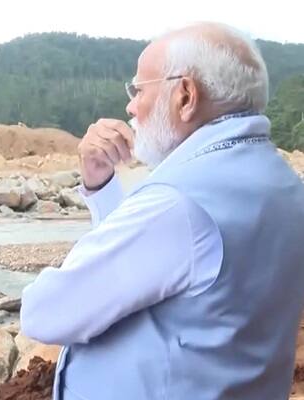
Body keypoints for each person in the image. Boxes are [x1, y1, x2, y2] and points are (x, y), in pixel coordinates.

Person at [20, 22, 304, 400]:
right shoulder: (283, 184)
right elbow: (158, 269)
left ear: (185, 95)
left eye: (138, 90)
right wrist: (100, 185)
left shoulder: (178, 202)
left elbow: (47, 312)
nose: (130, 106)